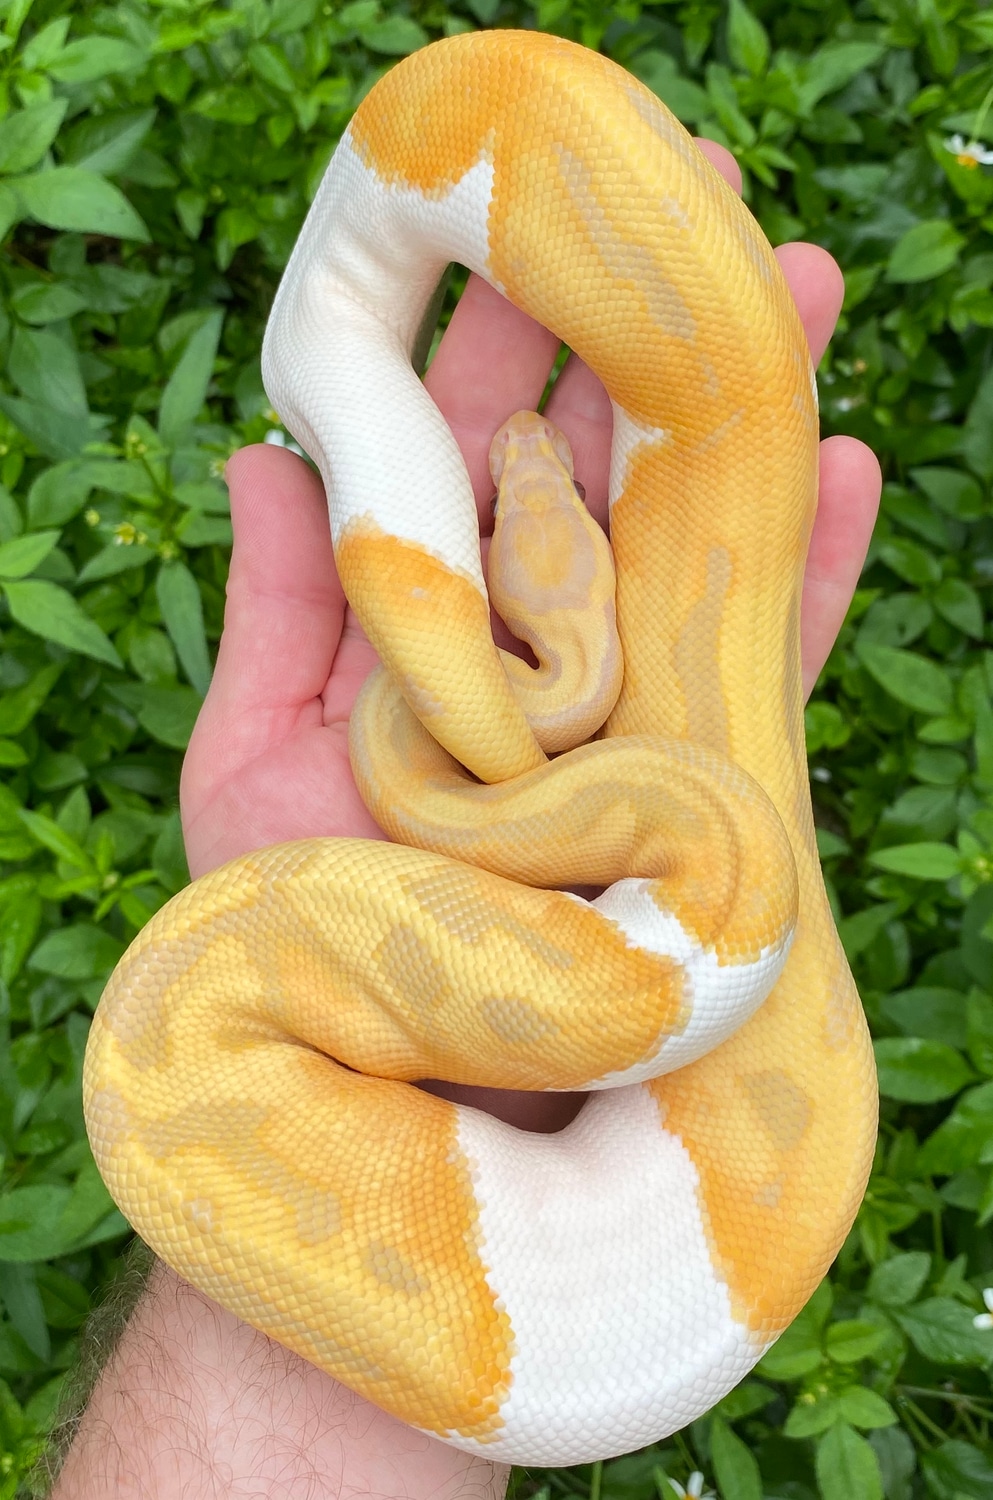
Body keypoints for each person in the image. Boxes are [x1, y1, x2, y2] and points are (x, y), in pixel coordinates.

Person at [51, 140, 881, 1498]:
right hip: (659, 1151)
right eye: (529, 500)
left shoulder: (654, 859)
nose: (527, 471)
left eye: (530, 499)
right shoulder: (699, 858)